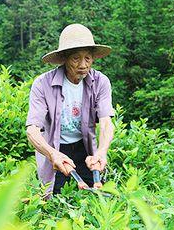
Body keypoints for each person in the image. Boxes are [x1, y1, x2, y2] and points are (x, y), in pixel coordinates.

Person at [25, 23, 115, 196]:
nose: (83, 64)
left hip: (85, 148)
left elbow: (106, 123)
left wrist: (101, 153)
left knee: (93, 196)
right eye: (76, 58)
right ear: (65, 58)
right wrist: (52, 155)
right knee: (55, 198)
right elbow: (32, 131)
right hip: (56, 148)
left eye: (87, 58)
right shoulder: (43, 84)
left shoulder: (101, 82)